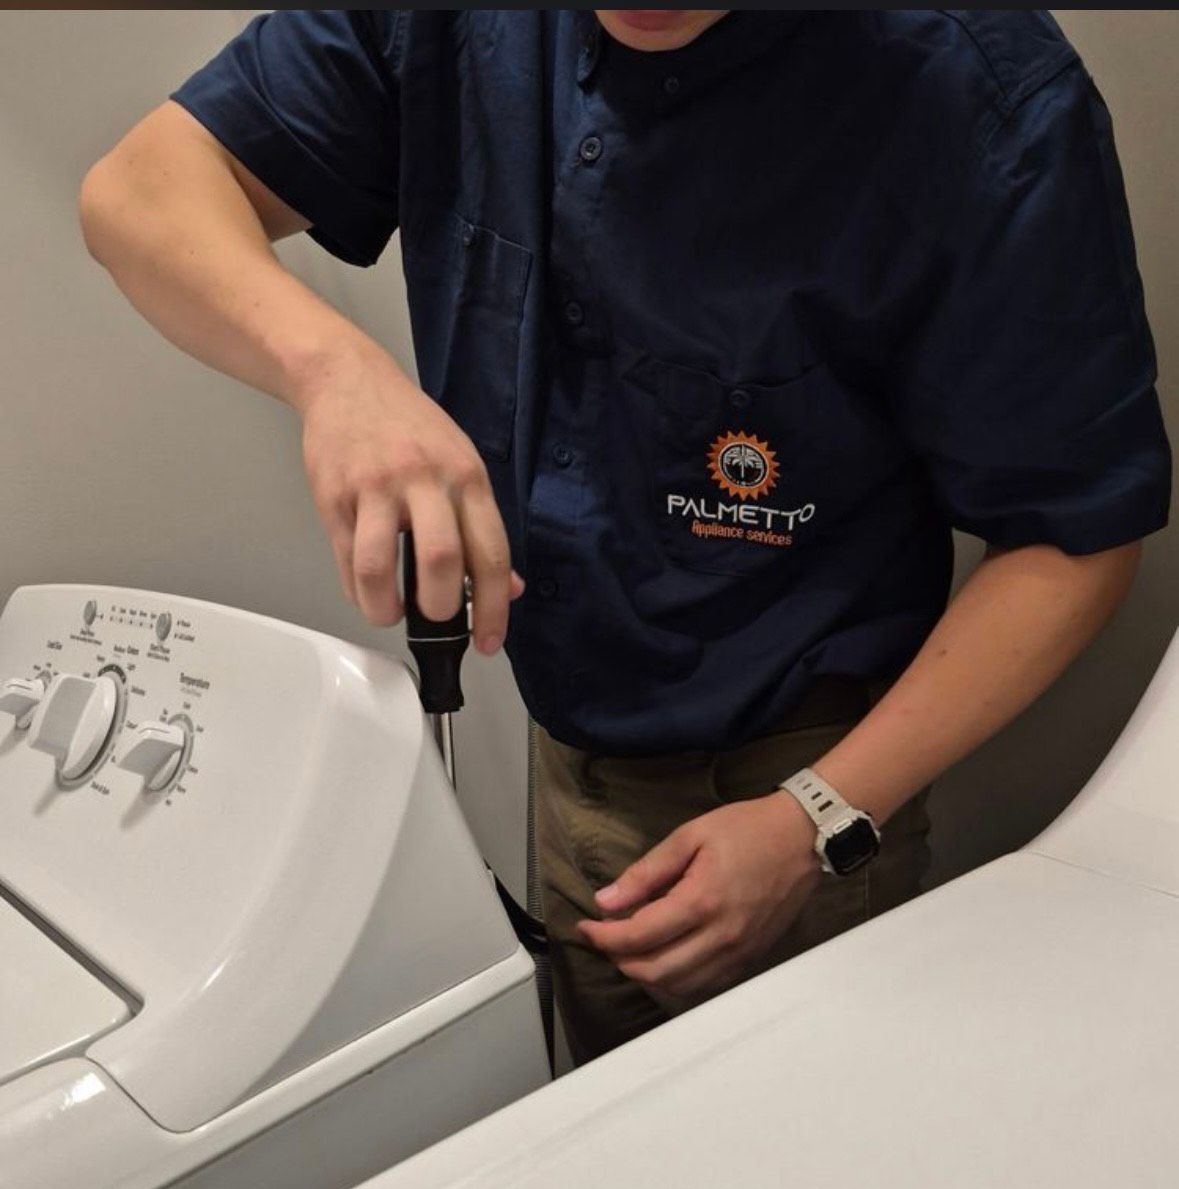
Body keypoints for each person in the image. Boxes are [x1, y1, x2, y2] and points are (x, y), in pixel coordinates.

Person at [80, 9, 1170, 1064]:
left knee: (807, 1175)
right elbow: (138, 192)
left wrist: (817, 818)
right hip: (573, 755)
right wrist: (335, 373)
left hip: (812, 774)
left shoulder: (983, 92)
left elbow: (1074, 539)